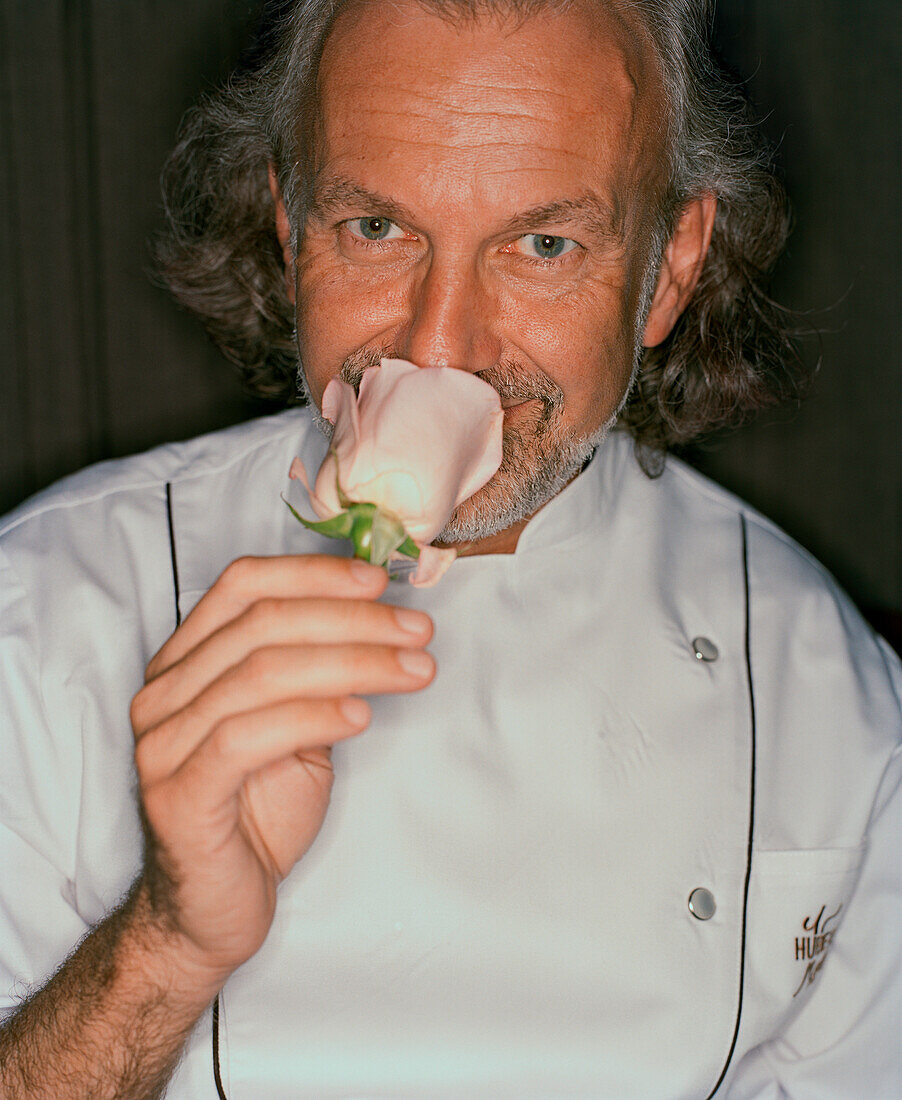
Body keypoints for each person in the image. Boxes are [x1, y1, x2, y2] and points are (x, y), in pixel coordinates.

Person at [0, 0, 899, 1096]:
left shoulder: (829, 692)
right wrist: (168, 941)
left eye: (540, 244)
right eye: (375, 229)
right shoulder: (37, 611)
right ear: (289, 232)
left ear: (667, 268)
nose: (439, 346)